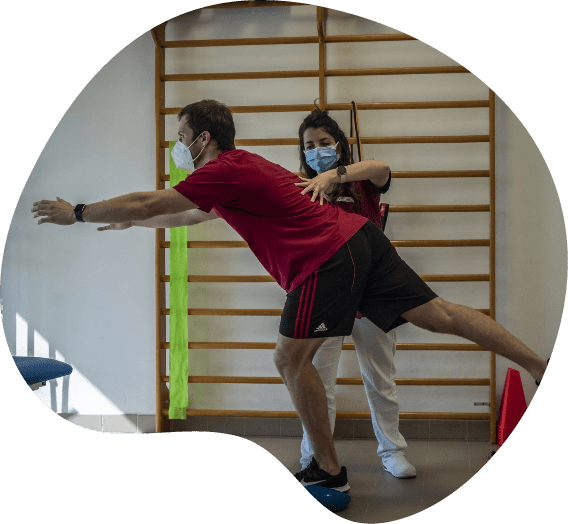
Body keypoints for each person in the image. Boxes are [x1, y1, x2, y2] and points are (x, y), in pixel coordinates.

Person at [32, 99, 549, 496]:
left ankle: (329, 470)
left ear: (203, 138)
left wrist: (78, 213)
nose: (179, 145)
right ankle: (541, 367)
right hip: (360, 240)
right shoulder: (240, 171)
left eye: (182, 136)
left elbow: (150, 200)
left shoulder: (223, 170)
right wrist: (134, 222)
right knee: (439, 315)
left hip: (327, 256)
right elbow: (186, 213)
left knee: (288, 359)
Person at [295, 108, 415, 479]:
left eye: (324, 142)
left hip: (373, 293)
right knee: (318, 384)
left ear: (339, 145)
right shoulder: (300, 190)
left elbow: (382, 168)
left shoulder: (361, 183)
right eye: (309, 146)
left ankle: (392, 451)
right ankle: (314, 457)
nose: (316, 150)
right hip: (324, 295)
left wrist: (337, 174)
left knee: (381, 380)